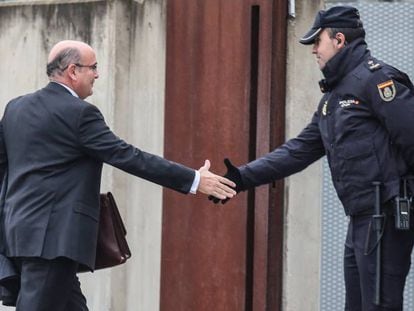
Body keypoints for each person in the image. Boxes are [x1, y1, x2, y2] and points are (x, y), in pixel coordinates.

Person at [0, 40, 236, 310]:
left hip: (20, 232)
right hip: (55, 239)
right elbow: (127, 156)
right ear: (73, 71)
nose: (98, 75)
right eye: (94, 67)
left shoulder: (15, 108)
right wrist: (194, 180)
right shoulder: (80, 114)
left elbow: (2, 166)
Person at [213, 6, 414, 311]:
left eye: (317, 42)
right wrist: (240, 178)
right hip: (361, 219)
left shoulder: (376, 81)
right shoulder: (332, 100)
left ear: (339, 40)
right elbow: (296, 151)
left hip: (383, 215)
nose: (314, 51)